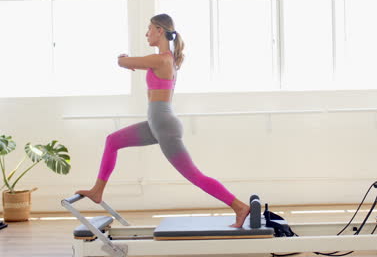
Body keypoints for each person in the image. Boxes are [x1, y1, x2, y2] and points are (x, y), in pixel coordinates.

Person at [75, 14, 250, 228]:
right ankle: (97, 190)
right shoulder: (163, 59)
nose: (147, 33)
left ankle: (239, 207)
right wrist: (129, 62)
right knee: (112, 141)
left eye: (149, 29)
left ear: (160, 30)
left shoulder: (162, 59)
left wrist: (124, 60)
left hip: (164, 125)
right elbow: (129, 63)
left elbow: (123, 62)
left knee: (194, 175)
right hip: (155, 123)